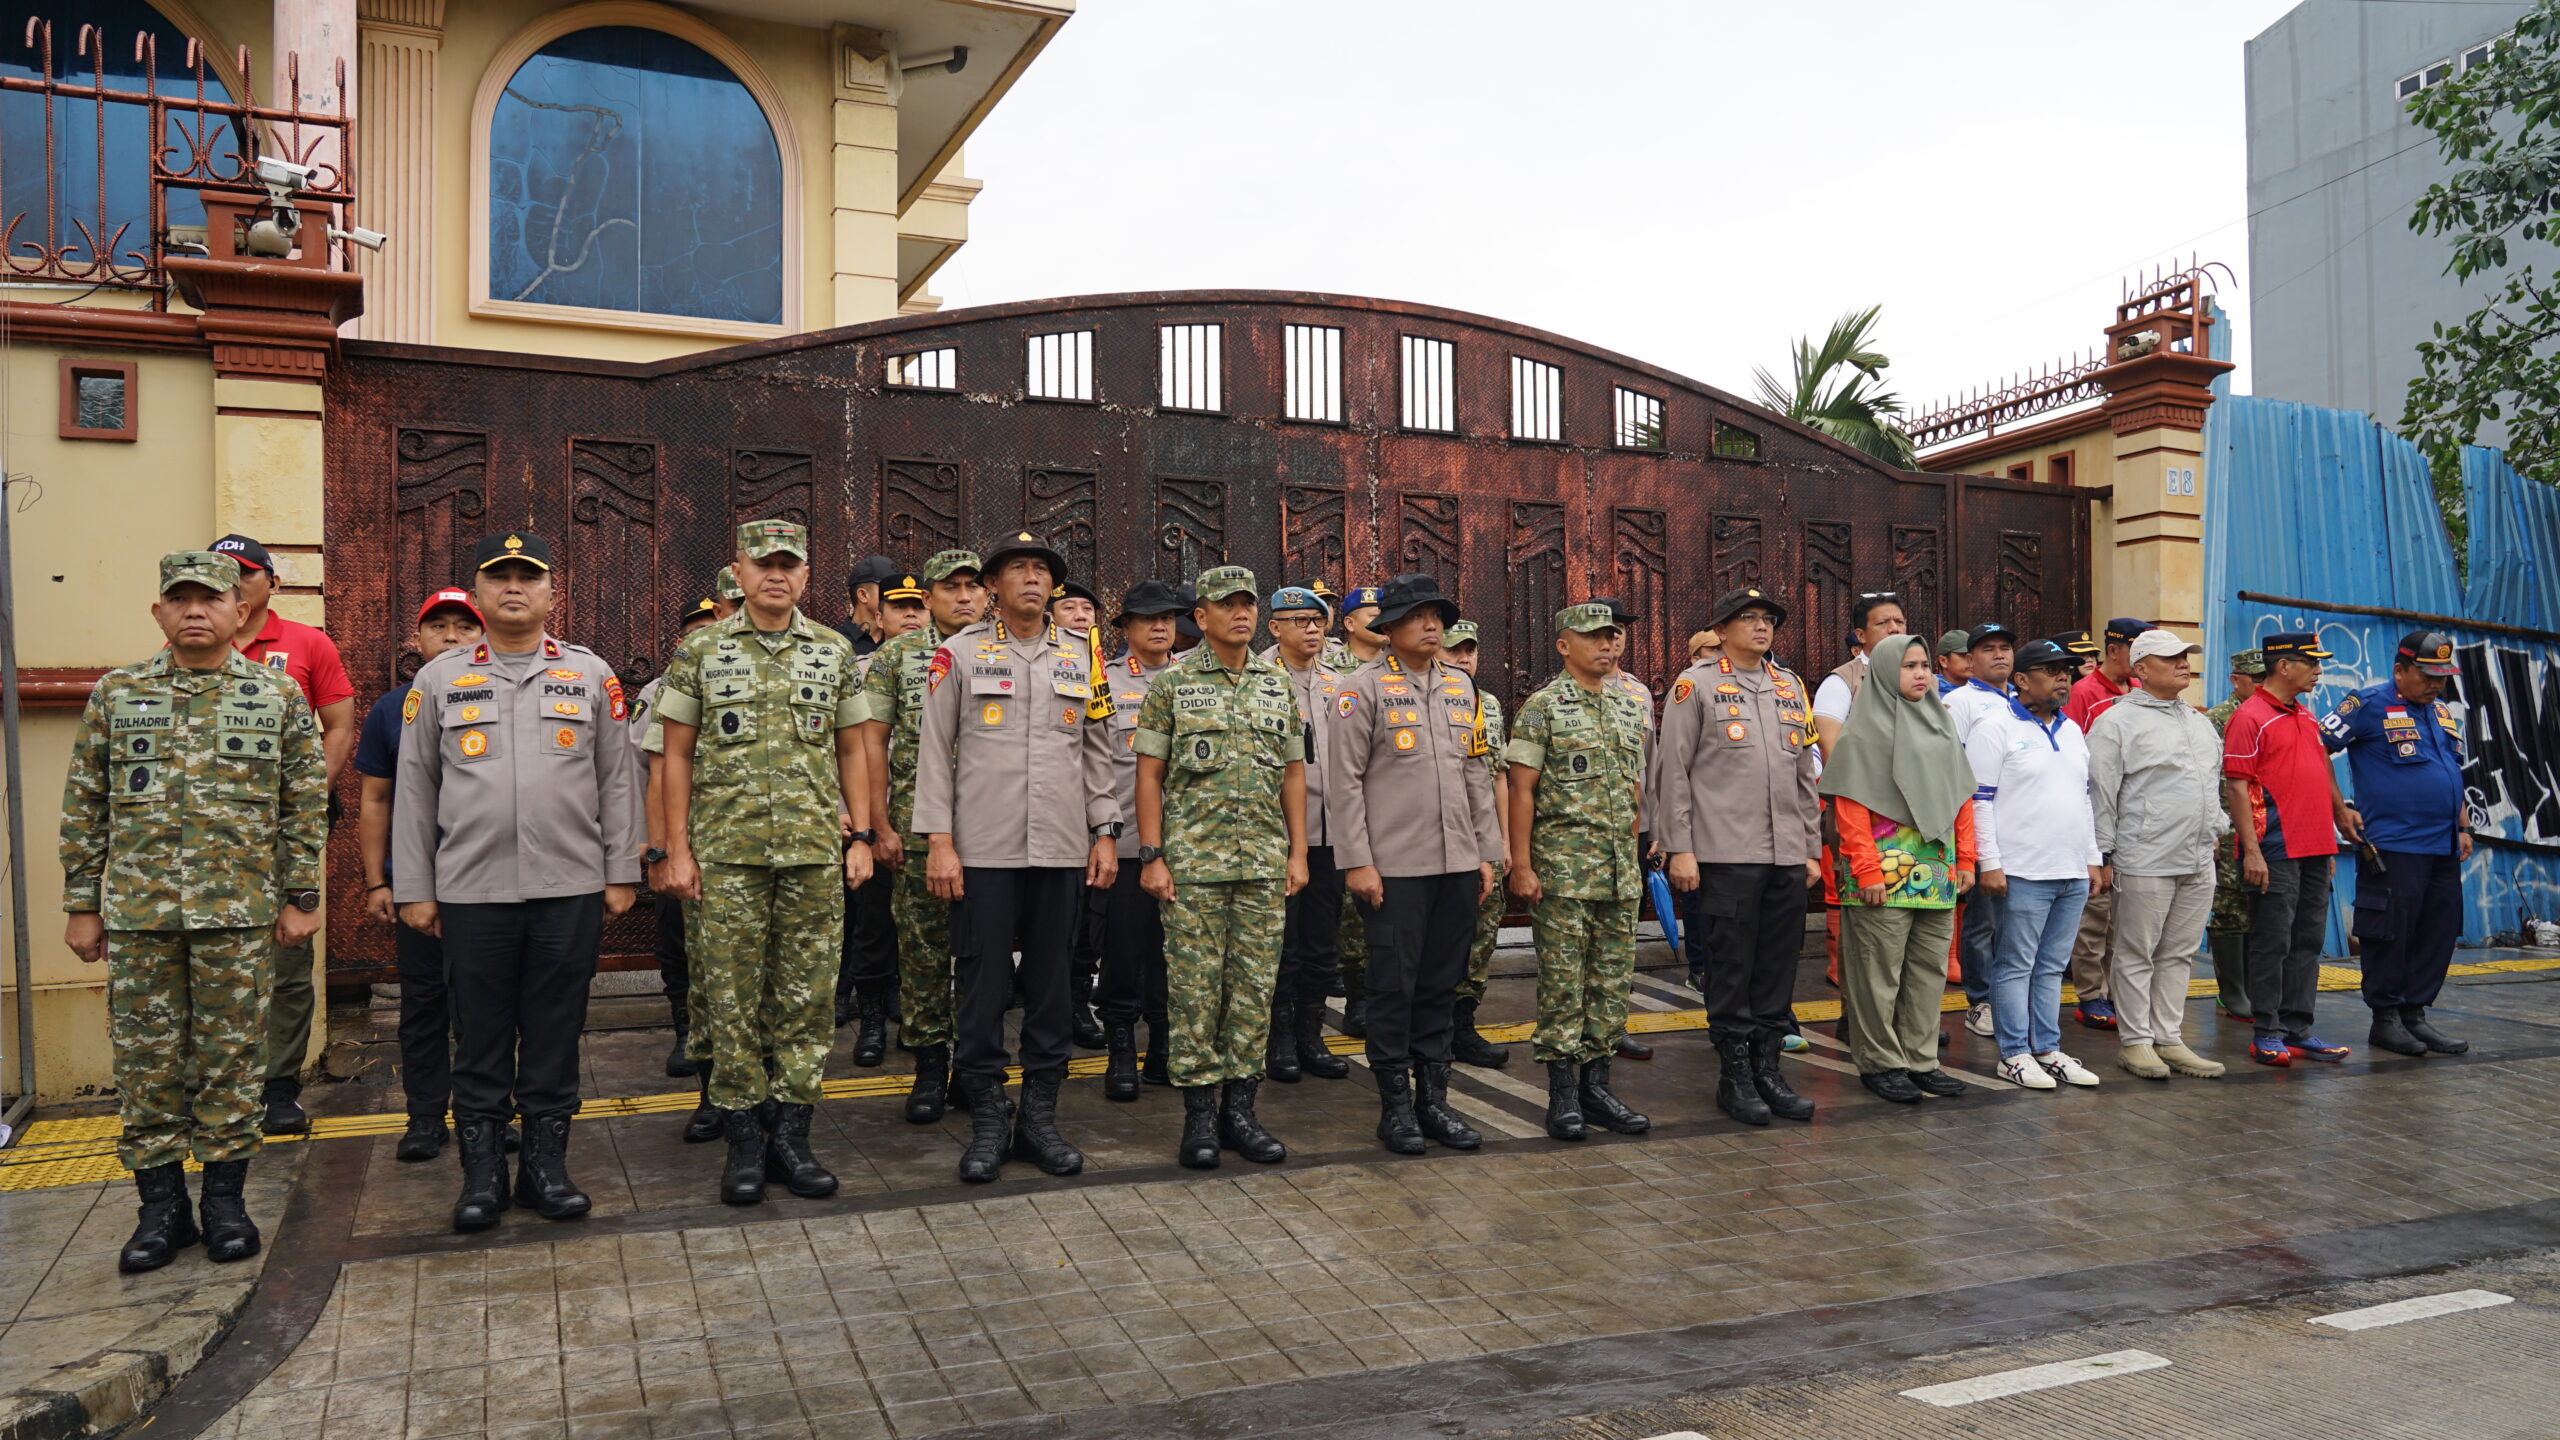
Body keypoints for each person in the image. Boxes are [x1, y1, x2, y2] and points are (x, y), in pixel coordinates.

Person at [64, 551, 328, 1273]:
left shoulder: (275, 699)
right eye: (178, 600)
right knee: (147, 1065)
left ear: (239, 610)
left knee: (231, 1062)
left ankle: (223, 1203)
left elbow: (303, 803)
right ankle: (160, 1210)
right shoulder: (118, 695)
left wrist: (301, 896)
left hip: (237, 918)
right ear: (158, 613)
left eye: (208, 599)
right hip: (141, 918)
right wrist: (83, 904)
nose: (194, 612)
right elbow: (86, 806)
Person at [393, 531, 642, 1230]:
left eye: (528, 578)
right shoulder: (437, 681)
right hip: (472, 891)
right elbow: (415, 791)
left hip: (569, 886)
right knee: (479, 1035)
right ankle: (480, 1178)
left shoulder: (591, 676)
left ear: (551, 595)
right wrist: (415, 887)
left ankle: (545, 1169)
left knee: (556, 1030)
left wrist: (621, 871)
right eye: (498, 578)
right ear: (476, 597)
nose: (513, 588)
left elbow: (618, 780)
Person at [653, 520, 872, 1207]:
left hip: (810, 854)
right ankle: (745, 1139)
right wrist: (677, 850)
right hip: (727, 859)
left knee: (806, 1000)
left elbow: (853, 749)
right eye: (763, 563)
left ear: (807, 576)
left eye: (790, 564)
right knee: (732, 1001)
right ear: (738, 572)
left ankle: (792, 1136)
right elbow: (675, 755)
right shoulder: (701, 652)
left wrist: (861, 835)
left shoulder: (834, 652)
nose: (777, 574)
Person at [914, 529, 1117, 1183]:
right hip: (984, 850)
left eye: (1042, 570)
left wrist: (1105, 831)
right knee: (982, 987)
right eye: (1017, 569)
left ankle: (1039, 1119)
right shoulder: (958, 654)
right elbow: (934, 756)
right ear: (993, 587)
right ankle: (987, 1121)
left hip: (1060, 848)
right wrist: (940, 843)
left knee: (1054, 985)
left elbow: (1096, 750)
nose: (1031, 578)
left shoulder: (1082, 655)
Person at [1132, 566, 1310, 1167]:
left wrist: (1299, 851)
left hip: (1261, 864)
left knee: (1254, 993)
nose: (1240, 613)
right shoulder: (1173, 685)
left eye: (1247, 604)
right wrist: (1152, 855)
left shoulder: (1275, 685)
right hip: (1193, 868)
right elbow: (1149, 776)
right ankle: (1200, 1117)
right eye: (1225, 605)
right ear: (1200, 617)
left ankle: (1242, 1110)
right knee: (1194, 995)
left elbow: (1292, 773)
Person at [1326, 573, 1503, 1155]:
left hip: (1455, 865)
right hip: (1394, 869)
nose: (1432, 626)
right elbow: (1344, 784)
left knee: (1439, 987)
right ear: (1390, 627)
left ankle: (1434, 1102)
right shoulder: (1361, 689)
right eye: (1418, 616)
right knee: (1393, 988)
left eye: (1438, 616)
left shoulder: (1460, 688)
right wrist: (1357, 862)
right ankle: (1395, 1108)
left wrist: (1485, 853)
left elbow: (1477, 776)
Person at [207, 534, 356, 1138]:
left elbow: (340, 725)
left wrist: (304, 800)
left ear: (272, 583)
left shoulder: (306, 643)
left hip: (284, 832)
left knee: (287, 955)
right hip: (209, 834)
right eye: (222, 573)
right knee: (213, 958)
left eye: (245, 572)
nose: (233, 583)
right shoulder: (192, 639)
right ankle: (220, 1080)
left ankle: (277, 1085)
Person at [1658, 587, 1821, 1127]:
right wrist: (1680, 848)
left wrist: (1811, 848)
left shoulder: (1790, 686)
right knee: (1731, 967)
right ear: (1722, 630)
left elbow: (1804, 775)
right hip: (1726, 853)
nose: (1760, 626)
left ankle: (1768, 1070)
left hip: (1785, 855)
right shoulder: (1695, 685)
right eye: (1747, 618)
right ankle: (1735, 1076)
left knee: (1776, 965)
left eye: (1767, 618)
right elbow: (1673, 773)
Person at [1506, 602, 1652, 1140]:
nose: (1606, 645)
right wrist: (1521, 865)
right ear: (1565, 645)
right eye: (1593, 637)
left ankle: (1599, 1087)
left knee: (1611, 985)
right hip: (1564, 872)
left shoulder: (1627, 705)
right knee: (1564, 986)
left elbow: (1634, 788)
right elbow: (1521, 790)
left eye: (1612, 636)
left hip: (1618, 875)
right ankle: (1563, 1094)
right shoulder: (1542, 708)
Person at [354, 587, 484, 1161]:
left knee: (487, 1007)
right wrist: (379, 881)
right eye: (439, 627)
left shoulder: (500, 698)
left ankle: (488, 1113)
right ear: (417, 639)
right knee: (424, 1005)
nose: (451, 637)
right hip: (418, 887)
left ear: (482, 637)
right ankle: (426, 1117)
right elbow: (375, 800)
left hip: (486, 883)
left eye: (464, 627)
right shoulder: (393, 708)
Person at [1819, 634, 1978, 1102]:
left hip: (1937, 872)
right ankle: (1880, 1063)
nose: (1920, 673)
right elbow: (1849, 807)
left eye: (1925, 665)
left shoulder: (1941, 726)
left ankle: (1921, 1059)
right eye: (1909, 665)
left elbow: (1960, 797)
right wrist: (1866, 869)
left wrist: (1966, 858)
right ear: (1887, 670)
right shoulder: (1862, 732)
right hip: (1881, 875)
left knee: (1928, 972)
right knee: (1876, 975)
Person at [859, 550, 984, 1122]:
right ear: (928, 597)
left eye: (971, 586)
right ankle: (931, 1068)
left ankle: (977, 1068)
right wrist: (878, 824)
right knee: (925, 956)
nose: (963, 596)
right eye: (950, 587)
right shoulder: (897, 656)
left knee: (984, 957)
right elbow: (871, 744)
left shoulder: (1001, 649)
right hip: (915, 832)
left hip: (991, 832)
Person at [2087, 630, 2230, 1080]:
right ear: (2141, 669)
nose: (2184, 663)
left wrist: (2215, 830)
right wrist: (2103, 854)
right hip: (2145, 855)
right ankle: (2135, 1043)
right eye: (2172, 658)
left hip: (2198, 855)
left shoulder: (2198, 721)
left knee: (2179, 952)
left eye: (2186, 656)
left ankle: (2168, 1037)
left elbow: (2211, 785)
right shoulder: (2116, 722)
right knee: (2135, 952)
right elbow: (2100, 794)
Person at [2321, 630, 2471, 1057]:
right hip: (2394, 845)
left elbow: (2451, 769)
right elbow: (2317, 747)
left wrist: (2462, 825)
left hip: (2443, 845)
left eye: (2443, 676)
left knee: (2436, 932)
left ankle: (2414, 1016)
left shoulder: (2441, 711)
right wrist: (2339, 809)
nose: (2437, 683)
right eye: (2427, 675)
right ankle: (2385, 1020)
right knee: (2390, 932)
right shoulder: (2366, 705)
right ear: (2400, 670)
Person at [1967, 638, 2107, 1090]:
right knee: (2015, 964)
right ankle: (2013, 1054)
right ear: (2022, 680)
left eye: (2066, 669)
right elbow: (1978, 801)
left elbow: (2083, 801)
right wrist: (1989, 862)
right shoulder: (1995, 726)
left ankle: (2047, 1048)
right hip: (2022, 870)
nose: (2063, 676)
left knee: (2051, 966)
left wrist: (2091, 858)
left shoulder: (2071, 730)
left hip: (2069, 869)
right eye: (2051, 670)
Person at [2223, 632, 2364, 1067]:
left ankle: (2298, 1028)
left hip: (2316, 845)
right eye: (2312, 662)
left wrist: (2339, 813)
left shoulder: (2304, 715)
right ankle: (2267, 1031)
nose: (2319, 670)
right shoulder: (2250, 717)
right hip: (2276, 848)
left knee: (2307, 941)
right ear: (2284, 666)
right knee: (2272, 941)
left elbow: (2321, 766)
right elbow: (2237, 785)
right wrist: (2252, 851)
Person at [1095, 579, 1186, 1098]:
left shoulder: (1195, 680)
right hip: (1128, 843)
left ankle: (1165, 1049)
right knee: (1125, 954)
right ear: (1125, 628)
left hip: (1188, 844)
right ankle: (1121, 1052)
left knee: (1175, 954)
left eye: (1168, 618)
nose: (1160, 627)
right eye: (1148, 619)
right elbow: (1093, 766)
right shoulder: (1105, 682)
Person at [634, 597, 723, 1087]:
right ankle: (686, 1030)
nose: (703, 636)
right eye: (694, 629)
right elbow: (645, 771)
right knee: (677, 942)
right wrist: (656, 847)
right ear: (679, 640)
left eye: (713, 625)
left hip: (734, 841)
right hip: (676, 837)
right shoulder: (660, 690)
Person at [1267, 583, 1353, 1085]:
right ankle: (1278, 1039)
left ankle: (1310, 1034)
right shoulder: (1259, 678)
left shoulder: (1339, 680)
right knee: (1283, 942)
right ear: (1275, 627)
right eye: (1300, 621)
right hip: (1278, 834)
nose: (1312, 629)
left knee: (1322, 943)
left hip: (1332, 834)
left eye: (1318, 621)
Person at [839, 573, 924, 1061]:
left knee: (924, 932)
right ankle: (870, 1022)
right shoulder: (856, 668)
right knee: (874, 926)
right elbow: (846, 750)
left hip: (926, 817)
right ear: (878, 616)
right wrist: (856, 816)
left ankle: (912, 1013)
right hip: (875, 813)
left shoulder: (949, 662)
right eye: (898, 607)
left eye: (917, 607)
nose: (909, 615)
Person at [2059, 617, 2150, 1031]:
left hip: (2133, 816)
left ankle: (2117, 993)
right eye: (2138, 650)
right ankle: (2090, 994)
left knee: (2125, 913)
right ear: (2115, 650)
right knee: (2094, 912)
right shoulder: (2083, 693)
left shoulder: (2138, 692)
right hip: (2094, 812)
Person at [1440, 619, 1513, 1069]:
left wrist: (1502, 840)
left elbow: (1498, 774)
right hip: (1440, 837)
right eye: (1454, 651)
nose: (1464, 658)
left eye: (1470, 650)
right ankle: (1431, 1024)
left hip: (1481, 837)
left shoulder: (1486, 704)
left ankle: (1463, 1023)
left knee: (1481, 936)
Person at [1944, 621, 2018, 1039]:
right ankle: (1980, 1000)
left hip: (2021, 829)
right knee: (1983, 922)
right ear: (1970, 660)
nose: (1999, 655)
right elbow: (1952, 767)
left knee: (2016, 921)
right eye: (1988, 649)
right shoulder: (1959, 702)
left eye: (2005, 647)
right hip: (1977, 824)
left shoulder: (2023, 701)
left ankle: (2009, 995)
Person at [1050, 577, 1108, 1050]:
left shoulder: (1094, 664)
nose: (1081, 615)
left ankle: (1072, 1003)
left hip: (1099, 815)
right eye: (1070, 607)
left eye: (1088, 608)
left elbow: (1098, 746)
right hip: (1050, 815)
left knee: (1086, 925)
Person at [1328, 584, 1386, 1038]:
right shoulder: (1333, 669)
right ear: (1347, 623)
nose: (1381, 618)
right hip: (1339, 803)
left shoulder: (1396, 670)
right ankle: (1357, 996)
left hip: (1390, 807)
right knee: (1350, 909)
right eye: (1371, 613)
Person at [2205, 650, 2267, 1018]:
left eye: (2264, 678)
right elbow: (2207, 777)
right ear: (2235, 679)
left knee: (2258, 905)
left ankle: (2253, 986)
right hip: (2227, 826)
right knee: (2230, 906)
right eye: (2254, 678)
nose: (2260, 685)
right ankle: (2232, 991)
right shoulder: (2217, 720)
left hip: (2263, 826)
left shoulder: (2269, 716)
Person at [1812, 591, 1911, 758]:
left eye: (1900, 622)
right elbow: (1828, 749)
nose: (1894, 629)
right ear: (1861, 635)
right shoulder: (1841, 681)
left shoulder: (1923, 677)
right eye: (1882, 623)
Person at [845, 554, 898, 657]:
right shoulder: (835, 641)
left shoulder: (902, 641)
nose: (896, 596)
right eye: (887, 588)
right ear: (863, 595)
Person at [1935, 630, 1973, 696]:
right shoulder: (1928, 695)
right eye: (1963, 655)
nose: (1971, 659)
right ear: (1943, 661)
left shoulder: (1986, 691)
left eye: (1973, 654)